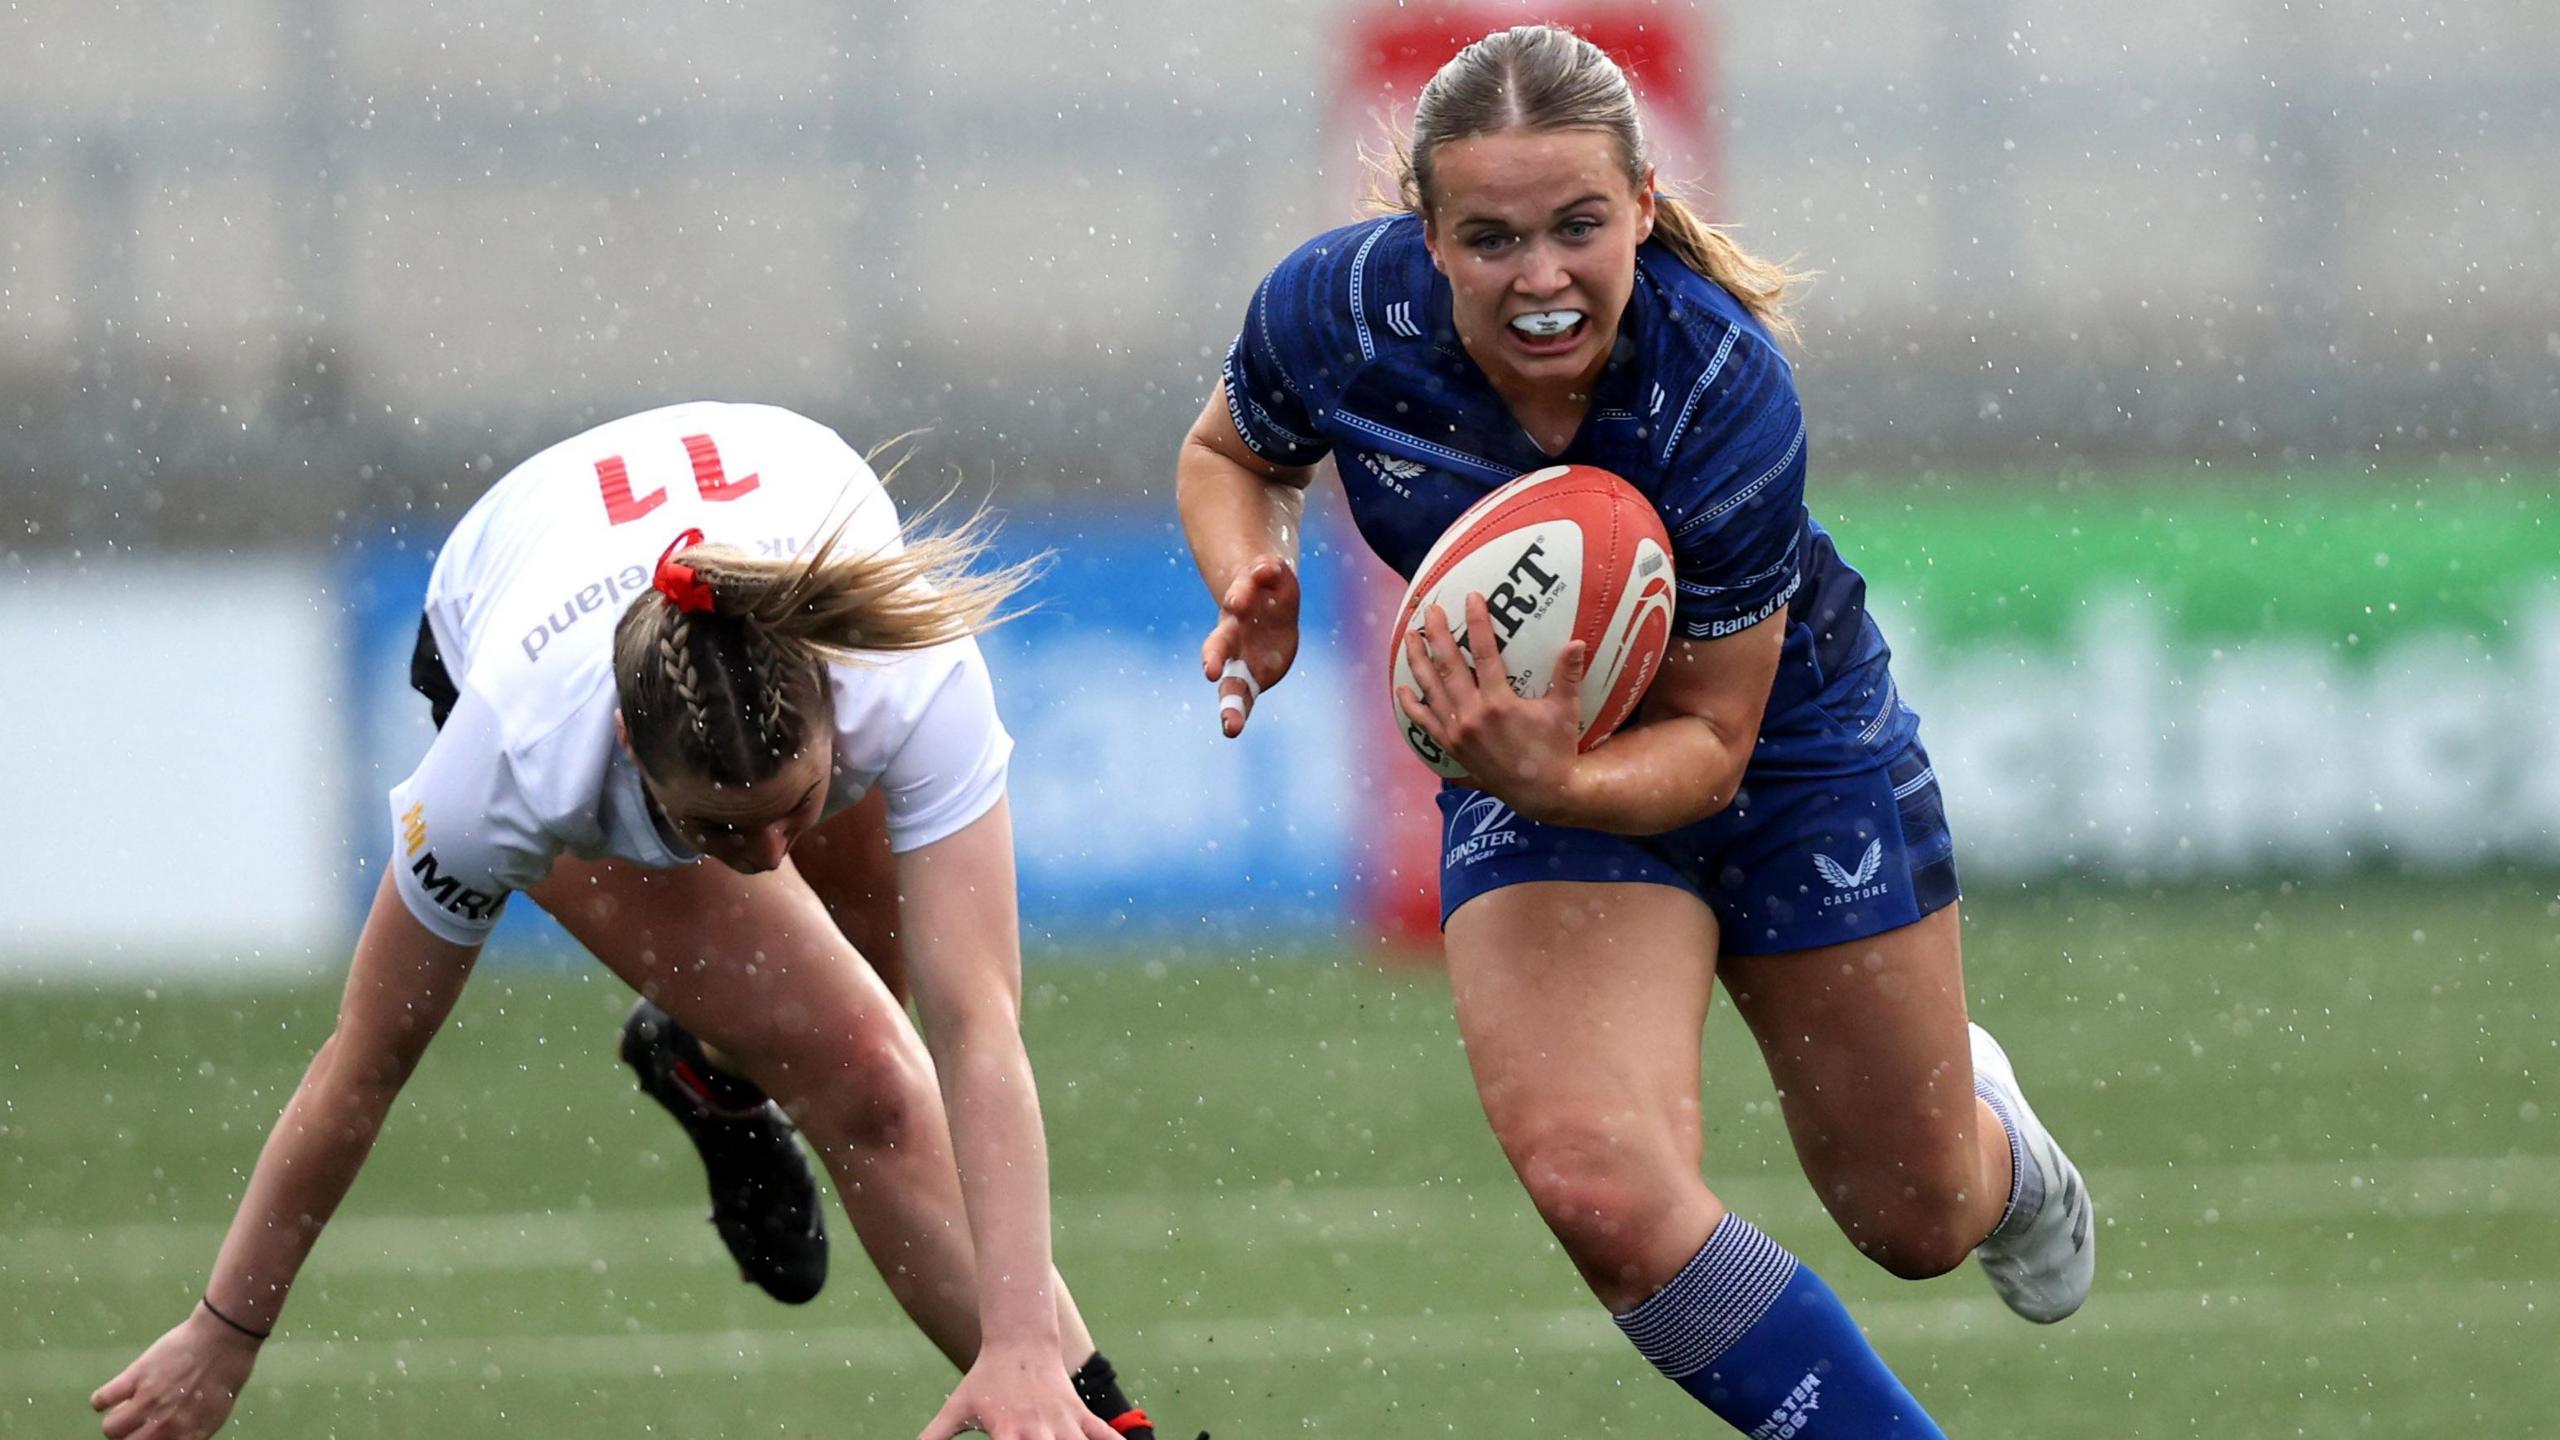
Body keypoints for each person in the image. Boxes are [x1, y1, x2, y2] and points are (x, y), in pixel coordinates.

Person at [1177, 24, 2093, 1438]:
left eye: (1578, 228)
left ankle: (2002, 1152)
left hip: (1786, 749)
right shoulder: (1340, 313)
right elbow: (1232, 454)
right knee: (1600, 1186)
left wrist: (1563, 768)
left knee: (1918, 1218)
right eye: (1489, 238)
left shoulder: (1723, 387)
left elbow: (1716, 748)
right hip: (1525, 748)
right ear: (1424, 237)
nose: (1540, 278)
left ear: (1645, 209)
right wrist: (1250, 574)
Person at [91, 401, 1189, 1440]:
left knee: (887, 998)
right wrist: (224, 1335)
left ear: (835, 717)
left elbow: (979, 1025)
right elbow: (365, 1062)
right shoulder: (511, 767)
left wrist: (1021, 1340)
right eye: (715, 830)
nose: (768, 862)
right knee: (868, 1078)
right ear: (627, 752)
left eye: (792, 811)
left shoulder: (905, 674)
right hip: (507, 606)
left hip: (762, 539)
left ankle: (707, 1059)